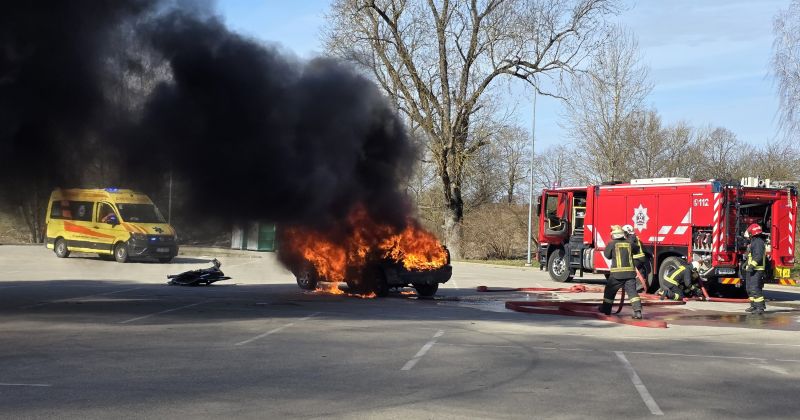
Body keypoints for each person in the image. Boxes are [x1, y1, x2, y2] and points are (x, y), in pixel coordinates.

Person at [600, 225, 643, 319]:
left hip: (616, 275)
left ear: (613, 235)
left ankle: (606, 310)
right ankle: (638, 312)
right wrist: (632, 238)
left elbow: (607, 256)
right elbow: (637, 250)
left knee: (609, 292)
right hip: (630, 275)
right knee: (632, 293)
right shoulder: (630, 243)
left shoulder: (612, 244)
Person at [743, 223, 767, 314]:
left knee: (755, 288)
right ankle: (753, 305)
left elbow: (758, 256)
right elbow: (751, 256)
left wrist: (752, 266)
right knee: (749, 288)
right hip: (752, 269)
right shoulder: (754, 242)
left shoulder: (758, 242)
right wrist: (746, 264)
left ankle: (760, 308)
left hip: (757, 269)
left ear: (752, 233)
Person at [622, 224, 648, 291]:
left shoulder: (631, 238)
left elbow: (631, 246)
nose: (623, 234)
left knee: (629, 272)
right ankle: (640, 286)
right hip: (641, 258)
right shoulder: (634, 237)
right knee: (640, 272)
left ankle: (632, 287)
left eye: (624, 232)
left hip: (636, 258)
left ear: (627, 232)